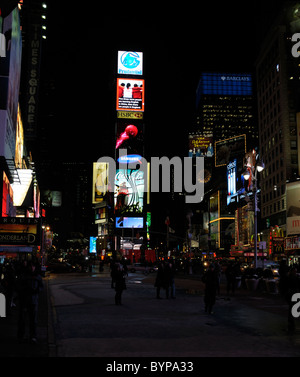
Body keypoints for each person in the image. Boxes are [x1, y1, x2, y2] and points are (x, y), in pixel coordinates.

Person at [17, 260, 43, 343]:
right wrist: (25, 289)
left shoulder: (38, 277)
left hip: (33, 300)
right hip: (25, 300)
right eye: (31, 266)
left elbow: (41, 287)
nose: (32, 268)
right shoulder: (24, 276)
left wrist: (36, 290)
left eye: (33, 266)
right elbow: (19, 286)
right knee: (23, 319)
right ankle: (22, 335)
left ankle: (33, 335)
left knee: (33, 320)